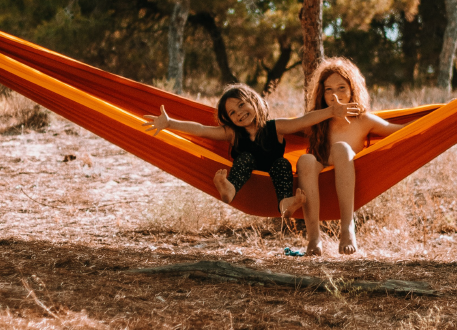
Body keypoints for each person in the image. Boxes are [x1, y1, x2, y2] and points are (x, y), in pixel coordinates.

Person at [143, 84, 361, 217]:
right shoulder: (232, 133)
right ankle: (229, 189)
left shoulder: (276, 127)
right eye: (232, 113)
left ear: (254, 102)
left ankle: (286, 203)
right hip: (248, 177)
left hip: (273, 174)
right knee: (245, 158)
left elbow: (304, 120)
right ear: (228, 120)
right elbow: (201, 130)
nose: (238, 113)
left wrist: (331, 111)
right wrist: (170, 124)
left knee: (282, 164)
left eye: (241, 105)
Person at [297, 58, 403, 256]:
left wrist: (440, 119)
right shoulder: (317, 118)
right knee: (305, 160)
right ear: (321, 92)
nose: (335, 95)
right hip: (319, 177)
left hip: (347, 174)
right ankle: (313, 238)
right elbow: (285, 127)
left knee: (341, 149)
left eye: (341, 88)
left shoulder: (363, 119)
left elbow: (398, 130)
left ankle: (347, 229)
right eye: (328, 89)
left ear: (352, 89)